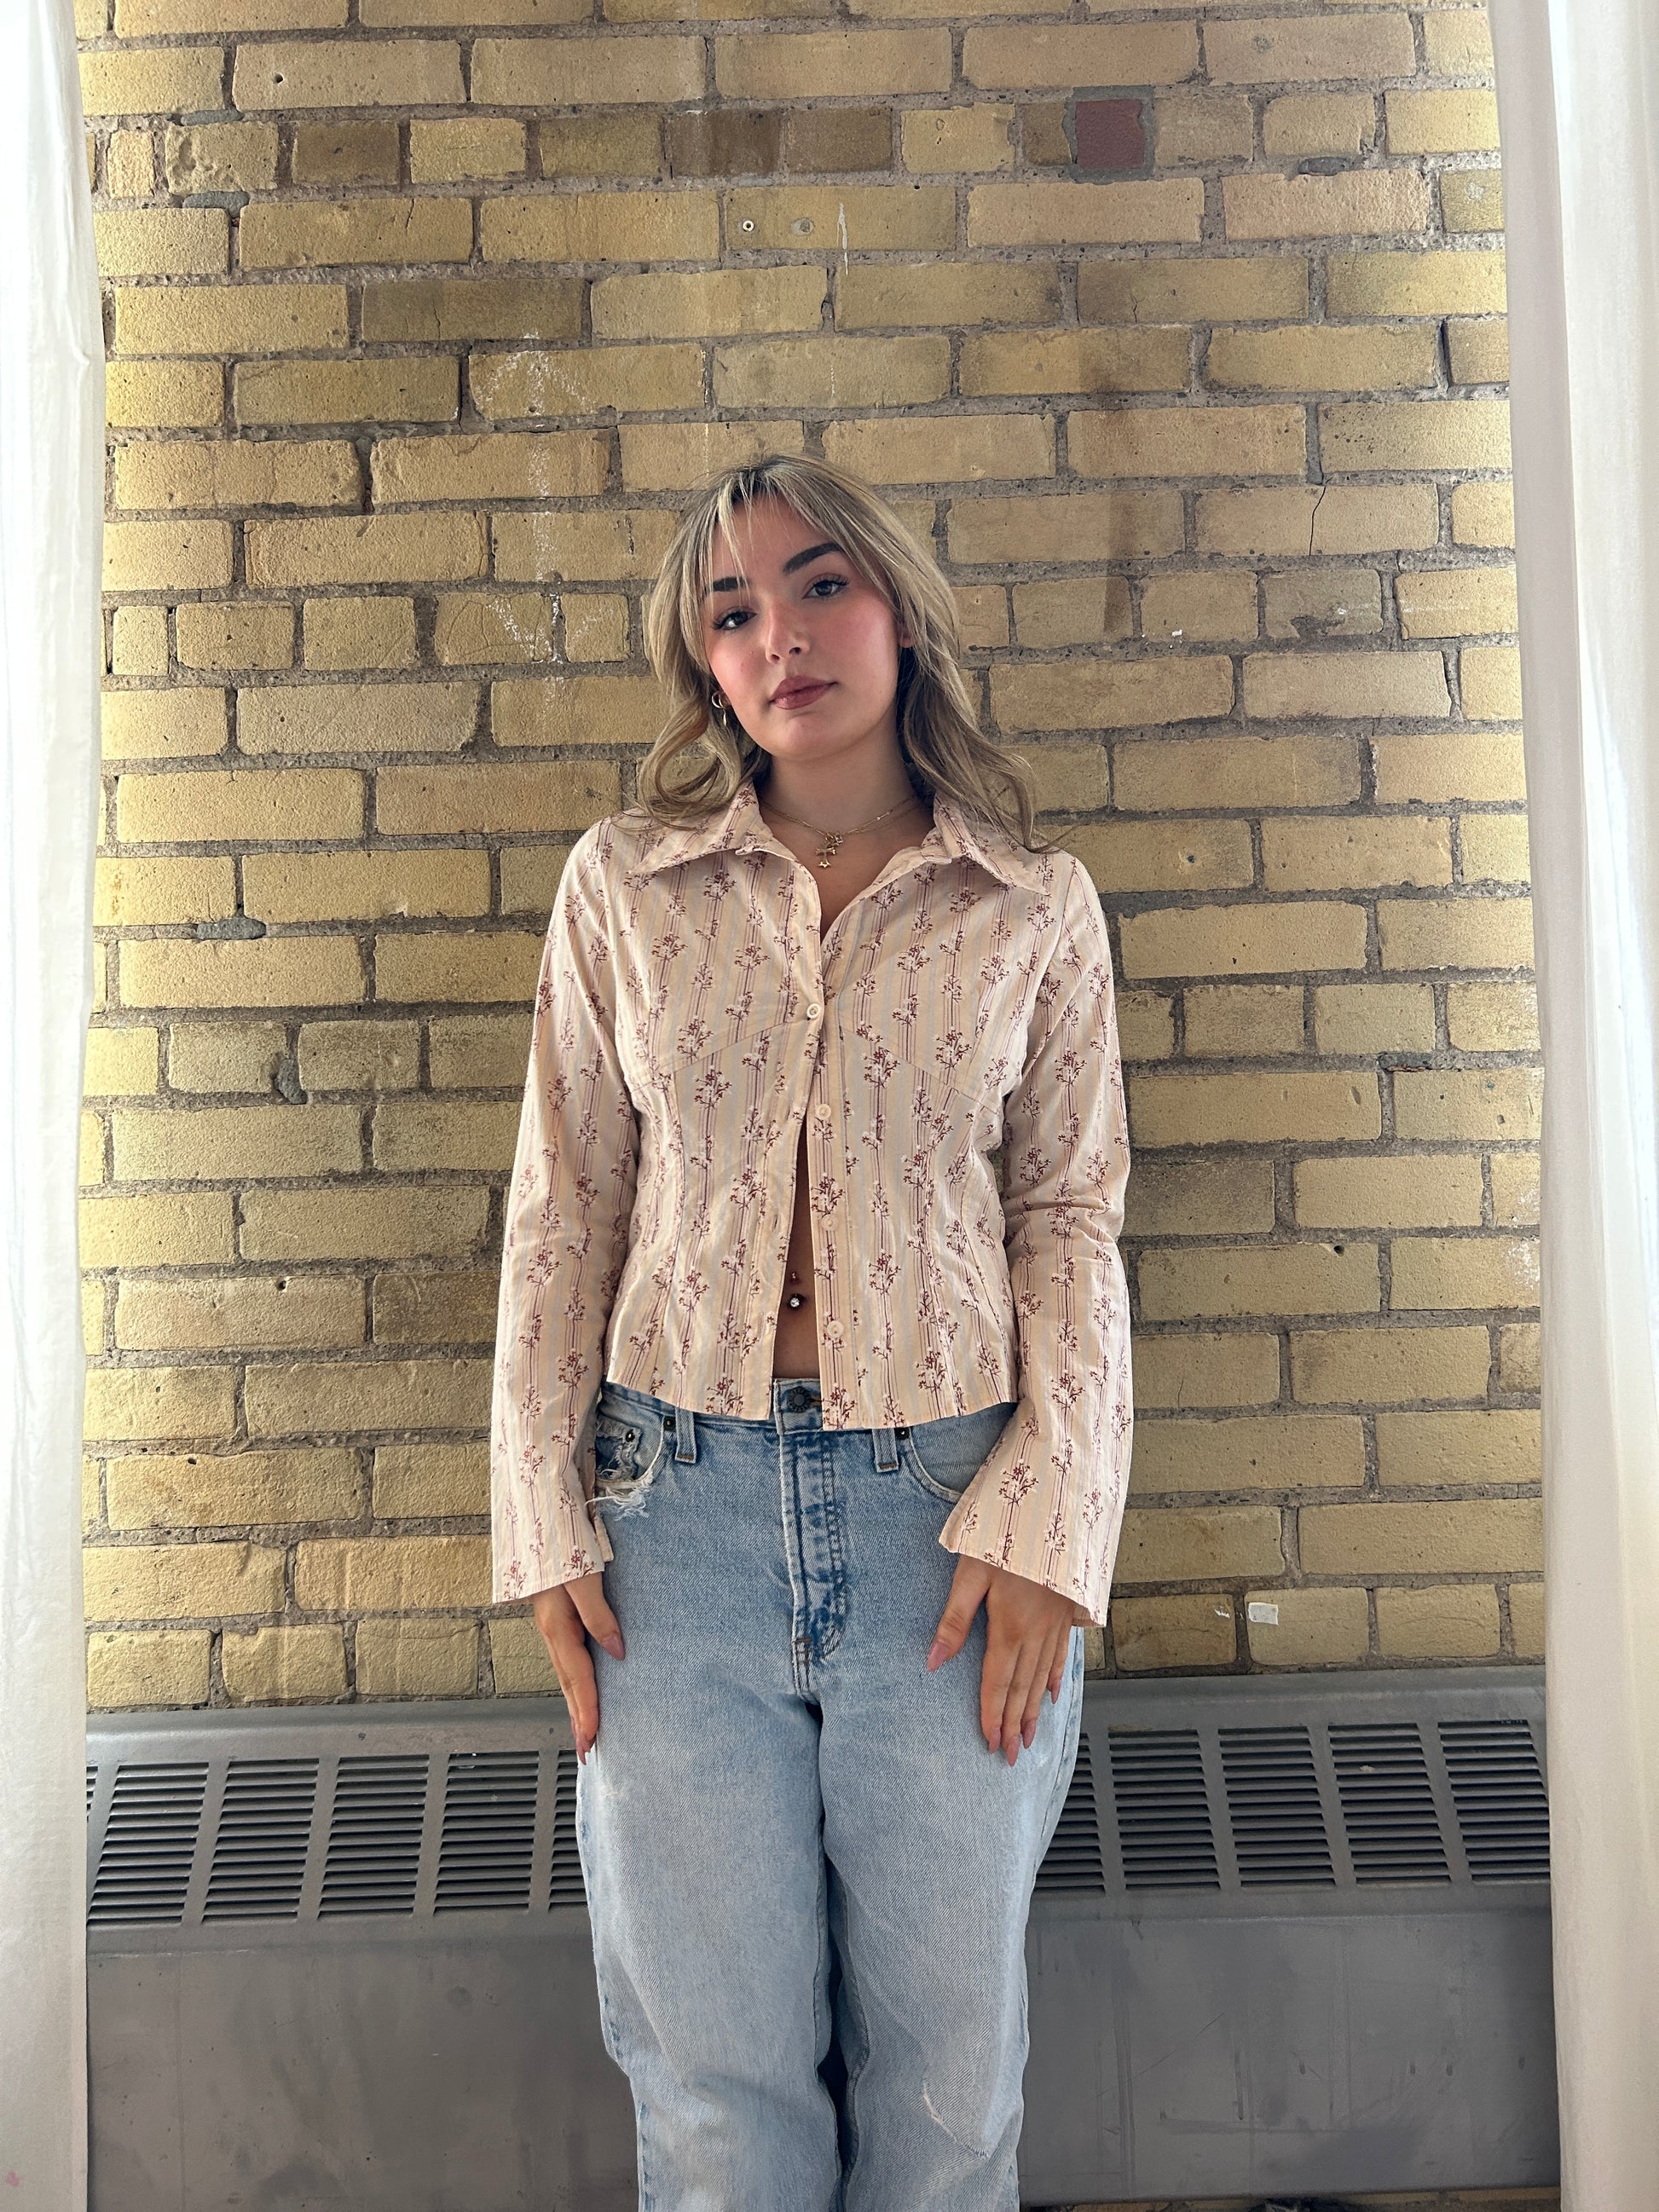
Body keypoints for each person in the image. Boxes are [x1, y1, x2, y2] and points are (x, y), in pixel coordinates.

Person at [490, 453, 1133, 2210]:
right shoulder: (626, 890)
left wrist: (1050, 1524)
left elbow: (1068, 1216)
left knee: (948, 2091)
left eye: (819, 584)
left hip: (950, 1528)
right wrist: (544, 1521)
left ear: (898, 610)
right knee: (713, 2096)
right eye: (732, 610)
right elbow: (563, 1206)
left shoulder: (1028, 905)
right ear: (704, 664)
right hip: (669, 1529)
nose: (779, 633)